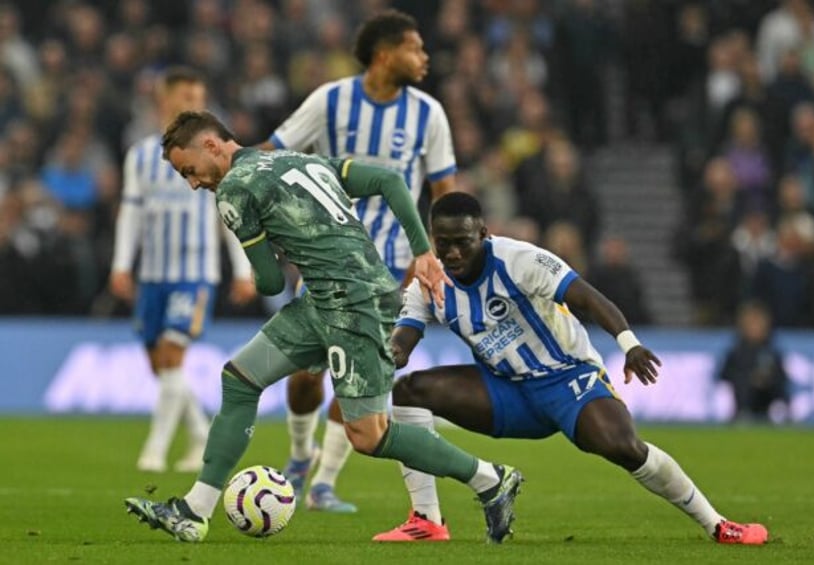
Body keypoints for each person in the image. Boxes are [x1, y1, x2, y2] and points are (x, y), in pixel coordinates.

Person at [124, 111, 522, 544]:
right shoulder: (300, 162)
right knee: (239, 378)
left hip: (354, 307)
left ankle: (488, 478)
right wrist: (422, 252)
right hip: (328, 299)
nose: (193, 183)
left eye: (190, 170)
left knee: (369, 436)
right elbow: (389, 181)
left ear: (213, 147)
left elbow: (271, 282)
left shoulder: (235, 190)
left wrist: (260, 260)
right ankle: (194, 511)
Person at [372, 192, 768, 545]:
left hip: (568, 377)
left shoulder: (519, 260)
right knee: (408, 391)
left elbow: (589, 298)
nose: (453, 254)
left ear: (484, 234)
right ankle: (427, 519)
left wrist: (628, 344)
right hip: (505, 390)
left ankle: (718, 524)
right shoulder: (429, 280)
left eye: (463, 243)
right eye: (444, 244)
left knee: (623, 447)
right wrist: (383, 355)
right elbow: (403, 342)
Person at [256, 9, 457, 512]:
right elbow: (272, 154)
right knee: (306, 374)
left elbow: (444, 191)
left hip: (391, 270)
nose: (424, 57)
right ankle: (301, 455)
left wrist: (429, 256)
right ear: (386, 55)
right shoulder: (330, 101)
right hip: (326, 261)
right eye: (416, 48)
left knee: (359, 378)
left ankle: (323, 482)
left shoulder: (429, 113)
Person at [110, 67, 256, 473]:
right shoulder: (140, 155)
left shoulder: (211, 155)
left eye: (199, 95)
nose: (194, 102)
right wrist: (122, 265)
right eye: (187, 95)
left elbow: (230, 214)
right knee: (160, 365)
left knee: (173, 354)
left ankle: (154, 451)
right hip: (152, 275)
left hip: (195, 272)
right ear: (166, 99)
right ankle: (198, 434)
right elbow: (131, 214)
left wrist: (242, 270)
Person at [719, 301, 789, 423]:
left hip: (767, 406)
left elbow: (782, 382)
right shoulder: (736, 353)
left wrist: (767, 381)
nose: (755, 327)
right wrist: (749, 379)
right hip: (741, 406)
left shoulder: (772, 352)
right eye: (751, 323)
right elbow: (724, 378)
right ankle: (743, 415)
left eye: (758, 323)